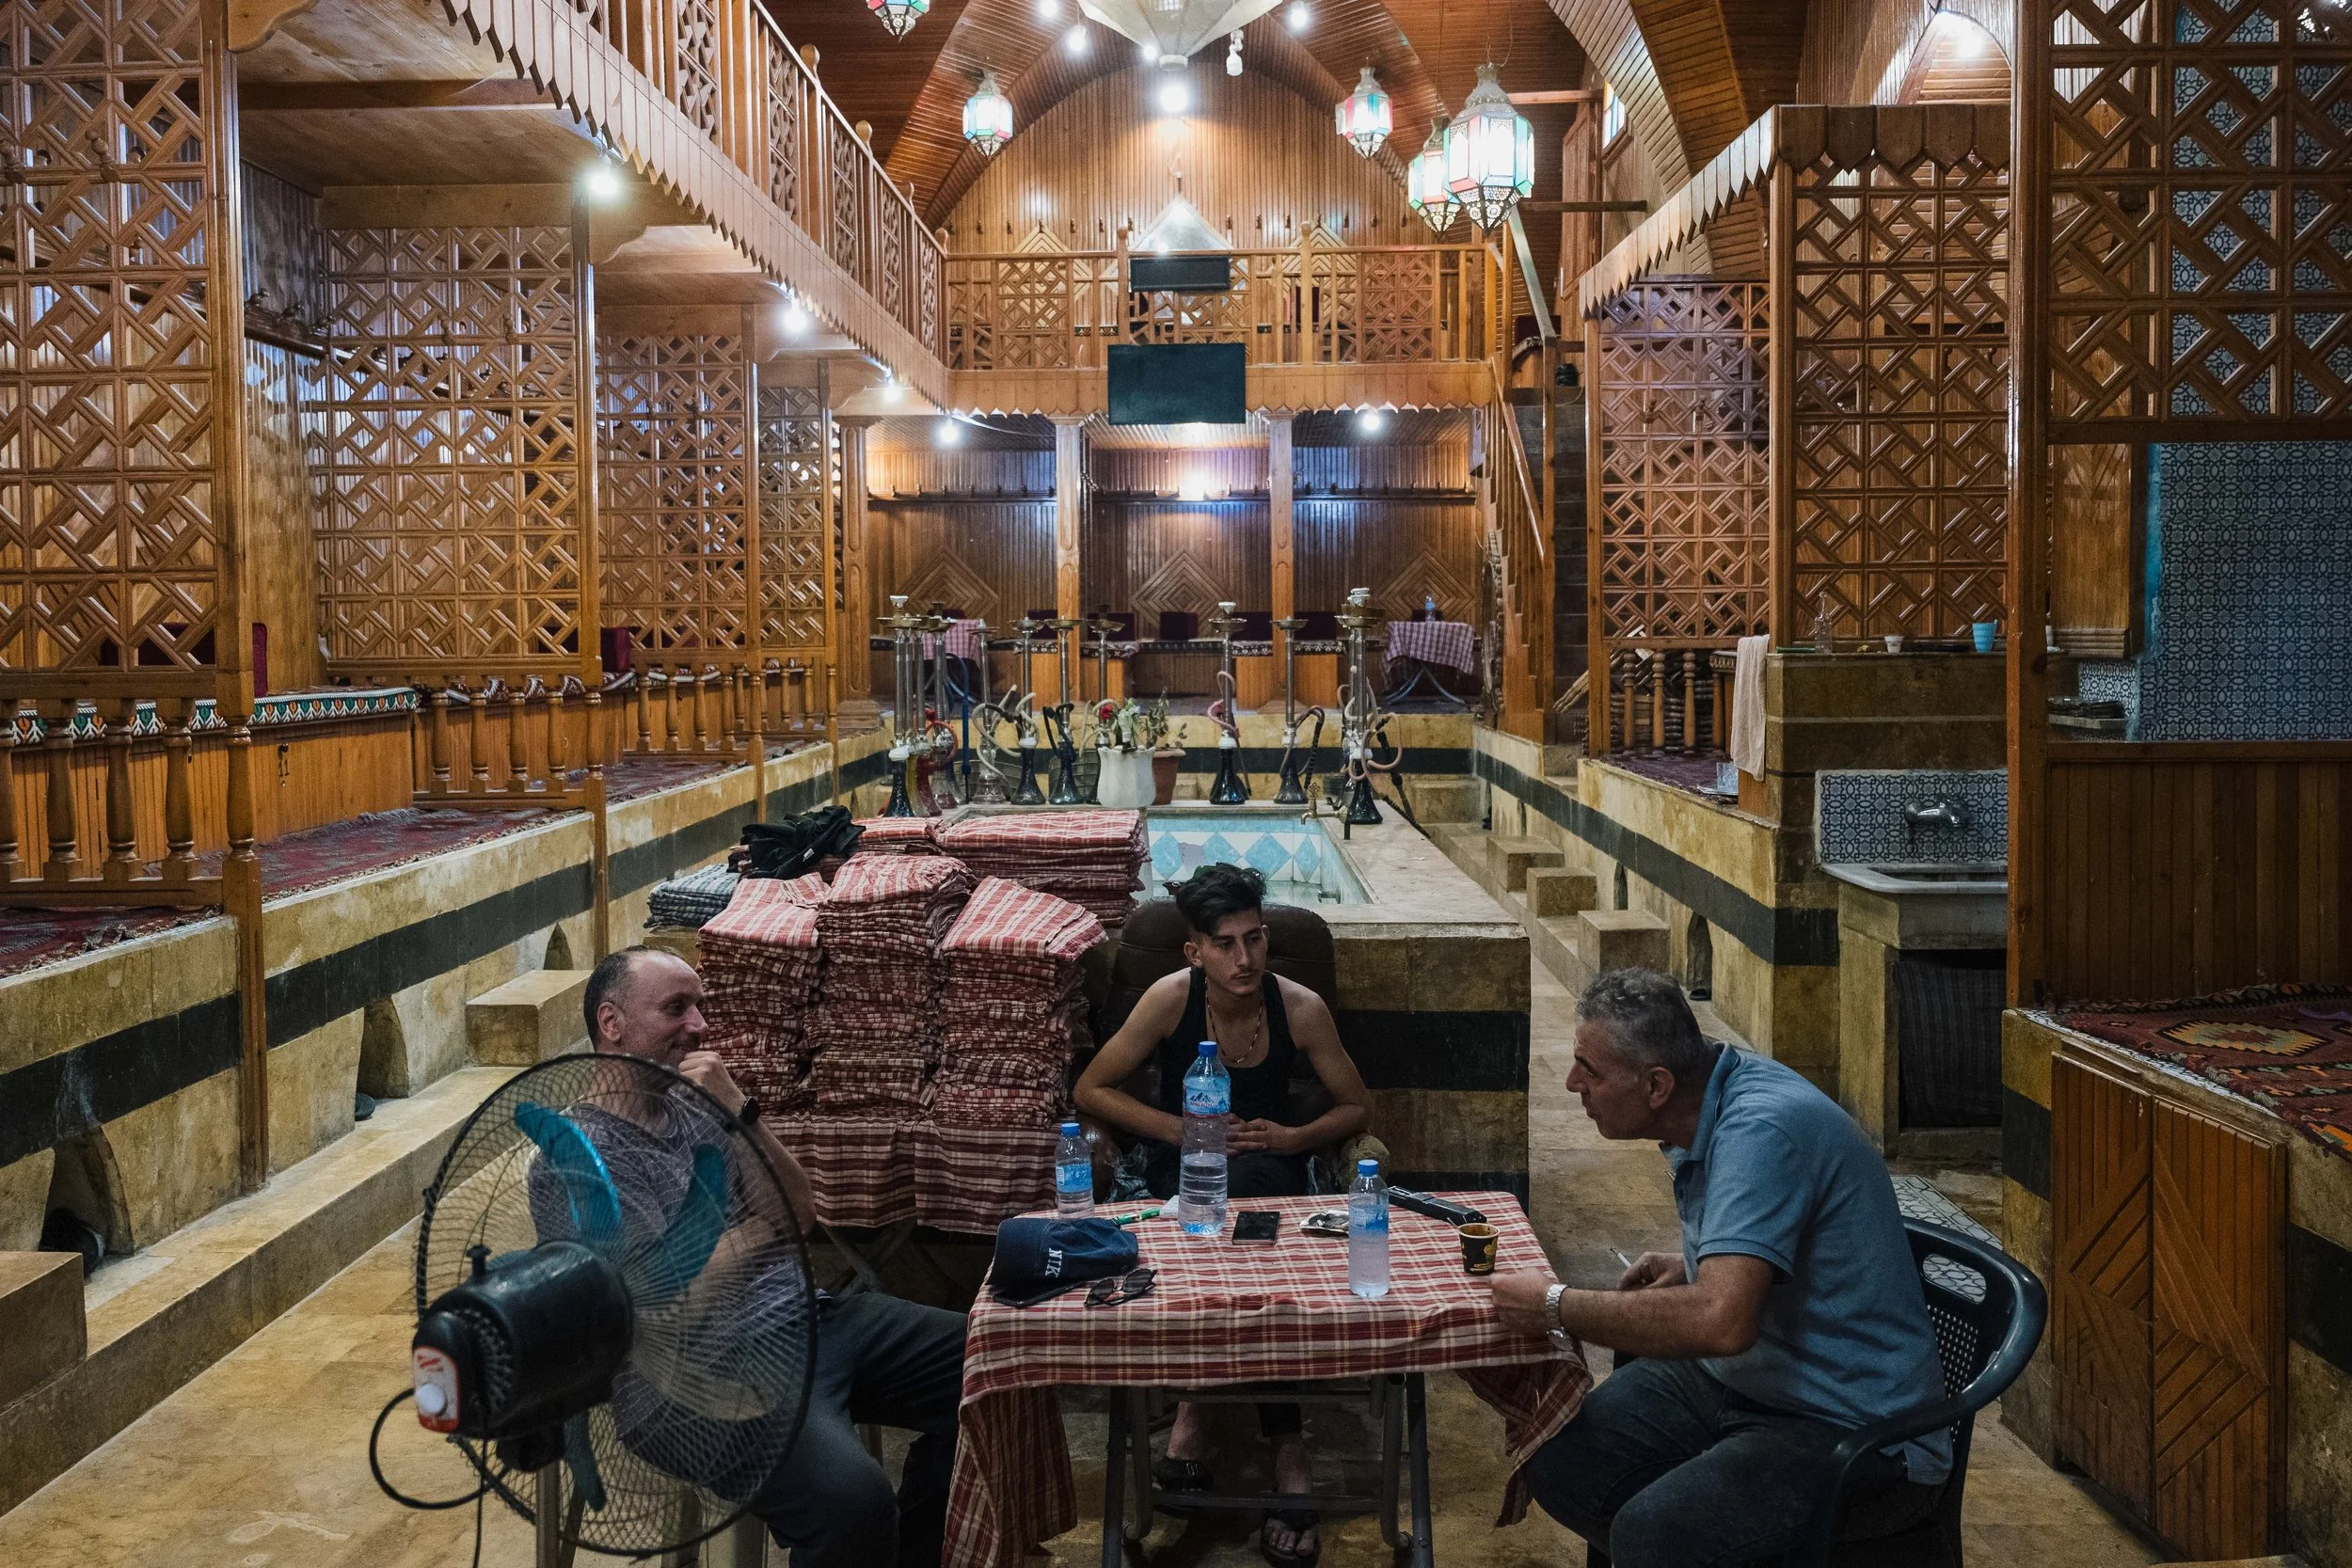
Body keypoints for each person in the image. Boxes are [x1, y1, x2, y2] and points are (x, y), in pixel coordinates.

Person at [1489, 968, 1949, 1568]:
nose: (1573, 1081)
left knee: (1656, 1536)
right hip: (1746, 1381)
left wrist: (1554, 1304)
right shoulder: (1707, 1098)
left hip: (1848, 1426)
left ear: (1656, 1085)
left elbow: (1721, 1324)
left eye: (1590, 1069)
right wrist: (1700, 1259)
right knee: (1558, 1460)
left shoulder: (1761, 1129)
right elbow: (1772, 1239)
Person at [572, 946, 967, 1568]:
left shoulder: (702, 1108)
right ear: (612, 1022)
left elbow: (800, 1211)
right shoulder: (579, 1161)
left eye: (701, 1007)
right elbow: (664, 1307)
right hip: (703, 1375)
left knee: (994, 1364)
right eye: (677, 1007)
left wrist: (740, 1111)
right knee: (852, 1502)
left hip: (811, 1318)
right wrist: (757, 1234)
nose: (700, 1025)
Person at [1073, 863, 1372, 1568]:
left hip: (1274, 1181)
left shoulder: (1297, 1007)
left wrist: (1294, 1136)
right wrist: (1177, 1127)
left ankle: (1205, 1409)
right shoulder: (1169, 1000)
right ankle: (1269, 1439)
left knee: (1257, 1233)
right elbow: (1092, 1087)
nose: (1246, 959)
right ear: (1195, 951)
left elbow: (1358, 1104)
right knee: (1226, 1227)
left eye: (1257, 939)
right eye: (1227, 944)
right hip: (1187, 1179)